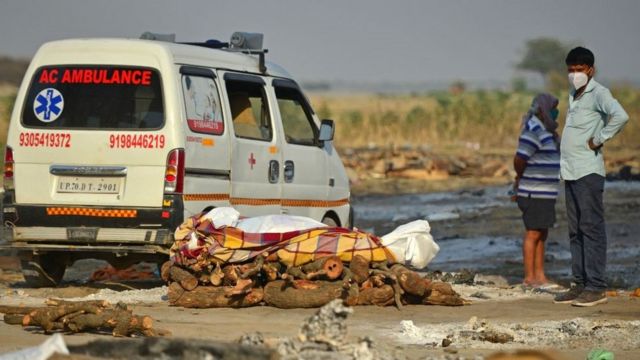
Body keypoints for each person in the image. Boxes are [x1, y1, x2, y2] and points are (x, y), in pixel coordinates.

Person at [553, 47, 629, 307]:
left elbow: (621, 116)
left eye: (578, 70)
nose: (574, 74)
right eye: (570, 70)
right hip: (571, 171)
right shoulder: (574, 94)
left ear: (590, 70)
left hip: (588, 170)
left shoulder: (600, 93)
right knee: (575, 230)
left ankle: (596, 286)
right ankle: (580, 283)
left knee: (592, 228)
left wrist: (598, 139)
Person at [512, 93, 561, 289]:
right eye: (552, 108)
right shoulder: (533, 130)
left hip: (545, 193)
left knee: (542, 233)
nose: (555, 112)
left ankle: (540, 276)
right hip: (533, 192)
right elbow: (519, 159)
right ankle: (529, 277)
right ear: (543, 110)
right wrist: (520, 177)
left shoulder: (546, 131)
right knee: (533, 233)